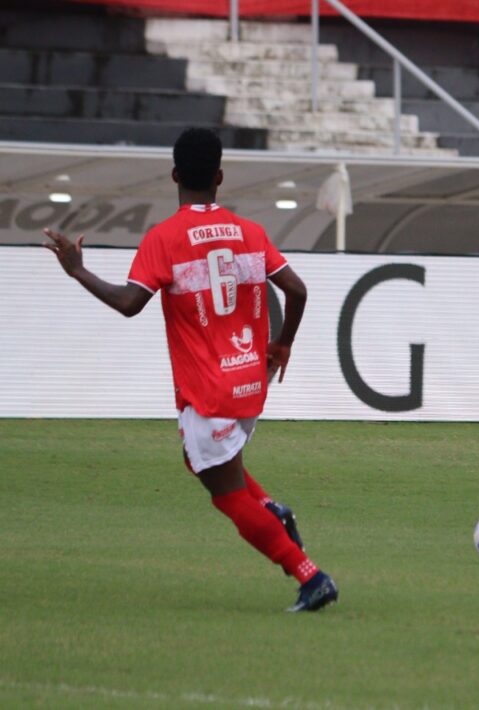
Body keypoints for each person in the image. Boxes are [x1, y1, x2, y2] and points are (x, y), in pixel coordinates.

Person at [43, 127, 337, 612]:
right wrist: (281, 345)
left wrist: (77, 270)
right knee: (208, 464)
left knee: (225, 494)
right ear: (220, 177)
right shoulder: (251, 232)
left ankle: (309, 575)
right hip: (248, 379)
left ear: (176, 175)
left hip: (208, 388)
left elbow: (128, 303)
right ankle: (272, 512)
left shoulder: (166, 239)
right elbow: (298, 291)